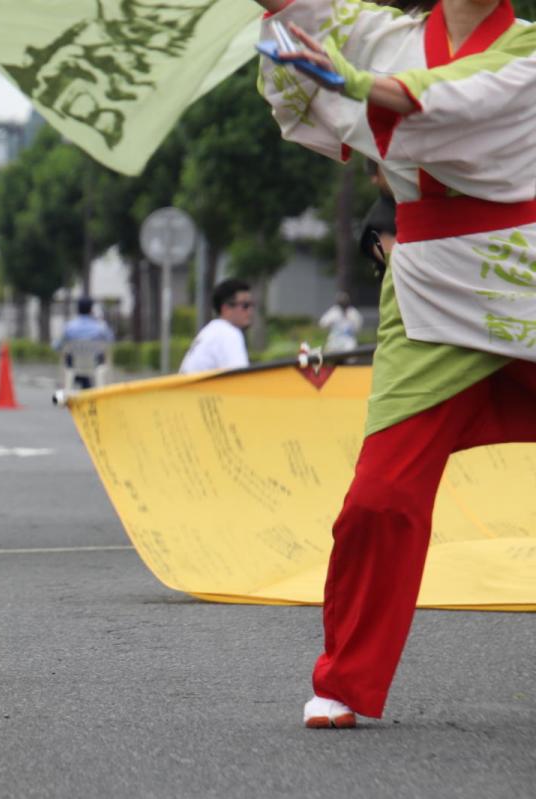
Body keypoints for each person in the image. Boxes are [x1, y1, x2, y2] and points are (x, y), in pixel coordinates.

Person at [255, 0, 536, 728]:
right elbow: (302, 20)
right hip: (427, 298)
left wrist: (350, 82)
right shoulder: (384, 35)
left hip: (524, 280)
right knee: (379, 497)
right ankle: (345, 681)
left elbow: (454, 100)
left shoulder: (527, 52)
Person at [178, 279, 254, 374]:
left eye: (252, 305)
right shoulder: (228, 333)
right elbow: (240, 378)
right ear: (226, 308)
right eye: (245, 305)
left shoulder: (212, 331)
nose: (250, 311)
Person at [57, 296, 115, 389]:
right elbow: (110, 340)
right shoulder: (100, 327)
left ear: (77, 309)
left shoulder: (69, 327)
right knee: (102, 356)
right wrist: (100, 319)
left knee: (68, 358)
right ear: (91, 310)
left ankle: (79, 381)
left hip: (74, 365)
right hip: (95, 365)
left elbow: (57, 346)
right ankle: (87, 384)